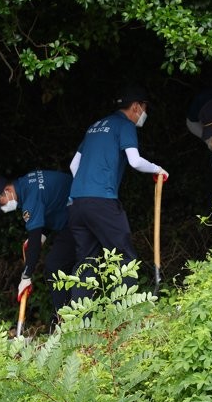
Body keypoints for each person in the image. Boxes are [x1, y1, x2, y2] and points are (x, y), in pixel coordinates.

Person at [67, 86, 168, 303]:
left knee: (86, 260)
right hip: (101, 201)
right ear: (135, 107)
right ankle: (127, 313)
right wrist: (158, 169)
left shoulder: (94, 127)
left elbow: (73, 165)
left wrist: (84, 189)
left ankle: (78, 321)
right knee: (124, 256)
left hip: (77, 203)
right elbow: (135, 161)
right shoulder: (125, 125)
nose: (144, 113)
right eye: (144, 108)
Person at [0, 170, 77, 322]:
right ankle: (67, 314)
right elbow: (50, 204)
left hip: (79, 218)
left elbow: (34, 241)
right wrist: (42, 235)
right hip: (72, 215)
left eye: (1, 204)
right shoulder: (26, 185)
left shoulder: (30, 198)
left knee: (54, 265)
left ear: (7, 191)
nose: (3, 209)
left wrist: (26, 276)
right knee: (61, 264)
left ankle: (64, 318)